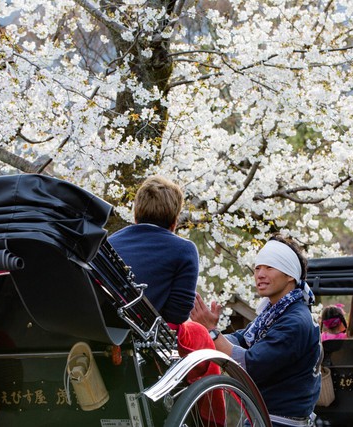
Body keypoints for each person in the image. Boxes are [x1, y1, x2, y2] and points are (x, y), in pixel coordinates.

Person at [191, 234, 322, 427]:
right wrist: (207, 334)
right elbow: (241, 339)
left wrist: (211, 332)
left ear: (289, 275)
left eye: (269, 267)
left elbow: (251, 365)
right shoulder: (275, 313)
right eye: (257, 268)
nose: (260, 274)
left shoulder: (295, 321)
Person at [108, 175, 199, 325]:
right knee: (198, 332)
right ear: (174, 222)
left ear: (135, 215)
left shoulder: (110, 242)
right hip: (143, 334)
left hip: (103, 326)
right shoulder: (185, 250)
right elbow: (177, 316)